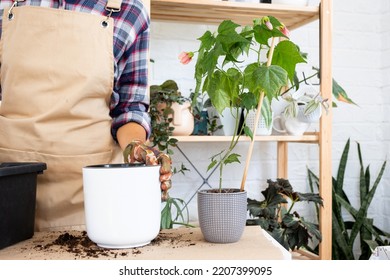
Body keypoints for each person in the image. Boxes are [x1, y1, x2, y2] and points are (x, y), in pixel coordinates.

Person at [0, 0, 171, 231]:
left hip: (91, 197)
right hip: (9, 189)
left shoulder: (130, 11)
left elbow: (129, 109)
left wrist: (136, 147)